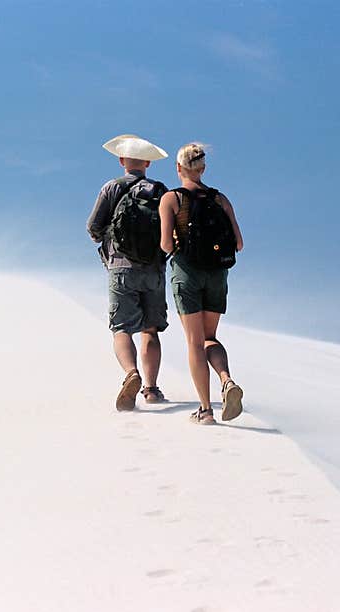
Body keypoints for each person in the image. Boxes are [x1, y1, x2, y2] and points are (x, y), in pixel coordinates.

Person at [159, 143, 245, 425]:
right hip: (217, 275)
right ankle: (227, 379)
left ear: (179, 168)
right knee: (211, 338)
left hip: (187, 272)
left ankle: (206, 410)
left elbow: (165, 244)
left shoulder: (171, 199)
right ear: (203, 169)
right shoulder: (220, 199)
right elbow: (239, 243)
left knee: (195, 343)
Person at [87, 134, 170, 411]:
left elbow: (93, 228)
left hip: (120, 268)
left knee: (121, 328)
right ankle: (151, 388)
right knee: (151, 329)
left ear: (122, 160)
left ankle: (131, 373)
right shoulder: (161, 190)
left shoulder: (111, 187)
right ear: (148, 162)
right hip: (154, 270)